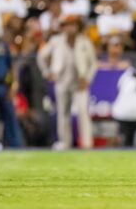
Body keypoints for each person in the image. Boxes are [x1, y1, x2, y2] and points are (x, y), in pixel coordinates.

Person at [37, 15, 97, 150]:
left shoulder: (84, 41)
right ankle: (65, 143)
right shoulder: (55, 41)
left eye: (73, 25)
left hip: (79, 82)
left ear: (77, 27)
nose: (70, 28)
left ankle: (87, 144)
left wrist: (87, 79)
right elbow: (41, 56)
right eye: (67, 25)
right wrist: (47, 72)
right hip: (62, 80)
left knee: (82, 111)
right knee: (63, 113)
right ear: (62, 27)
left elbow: (93, 63)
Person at [0, 28, 23, 148]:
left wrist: (14, 84)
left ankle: (15, 145)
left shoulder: (2, 46)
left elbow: (12, 65)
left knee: (10, 114)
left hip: (3, 85)